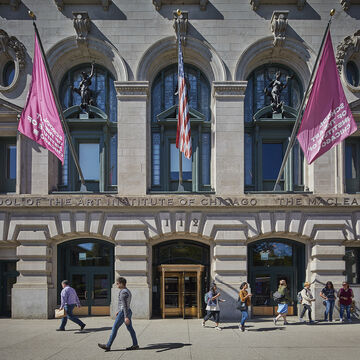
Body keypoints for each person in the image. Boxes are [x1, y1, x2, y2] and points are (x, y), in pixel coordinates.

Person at [98, 277, 139, 351]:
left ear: (121, 283)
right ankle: (135, 344)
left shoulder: (123, 292)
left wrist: (125, 316)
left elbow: (125, 304)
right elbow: (124, 304)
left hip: (123, 313)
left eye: (117, 283)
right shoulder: (127, 291)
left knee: (114, 328)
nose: (116, 285)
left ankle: (108, 345)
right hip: (126, 311)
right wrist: (119, 311)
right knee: (130, 329)